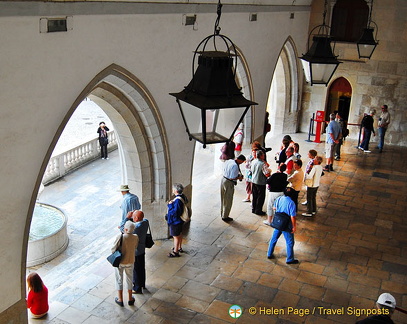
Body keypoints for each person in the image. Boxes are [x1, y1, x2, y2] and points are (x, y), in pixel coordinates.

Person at [119, 210, 149, 294]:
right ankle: (142, 283)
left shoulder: (136, 228)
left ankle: (137, 288)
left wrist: (127, 218)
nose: (132, 218)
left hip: (136, 251)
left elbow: (123, 229)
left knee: (136, 270)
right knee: (141, 268)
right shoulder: (145, 222)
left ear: (136, 218)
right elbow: (140, 219)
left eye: (133, 217)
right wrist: (135, 215)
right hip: (142, 249)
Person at [267, 187, 298, 264]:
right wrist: (294, 226)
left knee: (274, 238)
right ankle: (290, 259)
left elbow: (274, 208)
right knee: (290, 242)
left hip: (278, 222)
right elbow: (292, 216)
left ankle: (269, 253)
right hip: (286, 224)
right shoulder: (291, 203)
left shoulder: (279, 198)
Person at [112, 220, 139, 307]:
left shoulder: (120, 237)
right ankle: (130, 299)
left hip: (120, 262)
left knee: (119, 279)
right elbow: (135, 247)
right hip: (130, 261)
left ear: (126, 229)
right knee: (130, 279)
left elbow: (113, 249)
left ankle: (120, 299)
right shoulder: (135, 237)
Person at [221, 154, 246, 222]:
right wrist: (239, 177)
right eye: (242, 162)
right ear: (240, 160)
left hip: (223, 179)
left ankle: (222, 213)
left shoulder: (229, 161)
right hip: (229, 182)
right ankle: (225, 216)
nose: (241, 163)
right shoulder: (235, 166)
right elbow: (232, 177)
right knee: (228, 199)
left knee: (223, 198)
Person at [166, 183, 187, 257]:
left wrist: (170, 204)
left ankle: (175, 252)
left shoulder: (177, 200)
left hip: (176, 222)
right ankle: (179, 247)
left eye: (173, 189)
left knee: (175, 236)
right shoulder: (182, 197)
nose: (172, 190)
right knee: (179, 234)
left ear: (176, 191)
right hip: (180, 221)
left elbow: (175, 213)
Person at [251, 150, 271, 216]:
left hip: (254, 181)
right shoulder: (263, 164)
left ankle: (253, 209)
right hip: (260, 182)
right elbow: (267, 174)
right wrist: (270, 171)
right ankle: (258, 210)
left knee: (254, 195)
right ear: (262, 156)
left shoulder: (253, 161)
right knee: (261, 197)